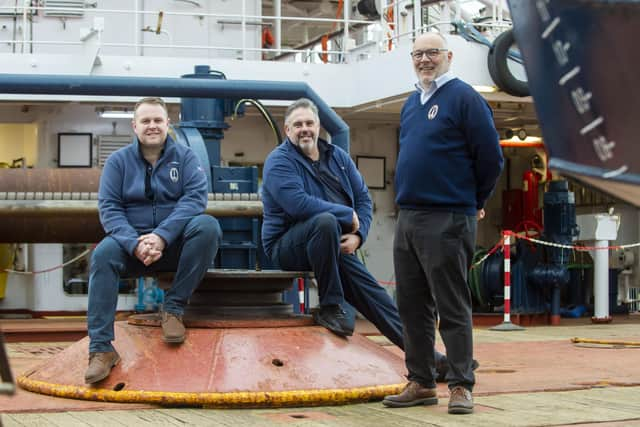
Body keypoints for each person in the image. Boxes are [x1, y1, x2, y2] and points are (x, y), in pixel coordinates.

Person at [261, 97, 461, 379]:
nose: (304, 129)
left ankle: (430, 360)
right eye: (297, 125)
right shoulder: (279, 162)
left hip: (335, 244)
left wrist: (359, 236)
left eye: (309, 123)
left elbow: (364, 201)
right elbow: (297, 204)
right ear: (287, 130)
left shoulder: (338, 159)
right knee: (326, 221)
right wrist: (346, 215)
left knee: (378, 299)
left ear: (319, 126)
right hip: (287, 246)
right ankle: (331, 306)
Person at [382, 33, 504, 414]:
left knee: (451, 304)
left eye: (431, 53)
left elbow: (491, 158)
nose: (424, 60)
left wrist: (474, 201)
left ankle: (461, 385)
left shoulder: (465, 98)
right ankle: (420, 381)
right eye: (417, 54)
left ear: (448, 56)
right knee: (412, 305)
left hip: (448, 215)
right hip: (409, 216)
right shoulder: (411, 104)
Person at [84, 97, 222, 384]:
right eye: (145, 121)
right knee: (102, 255)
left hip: (172, 246)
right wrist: (134, 243)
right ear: (134, 126)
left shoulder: (186, 158)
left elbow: (195, 199)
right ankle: (100, 349)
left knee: (208, 227)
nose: (152, 126)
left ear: (167, 124)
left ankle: (173, 308)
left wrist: (162, 236)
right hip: (131, 247)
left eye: (158, 120)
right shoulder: (117, 162)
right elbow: (109, 208)